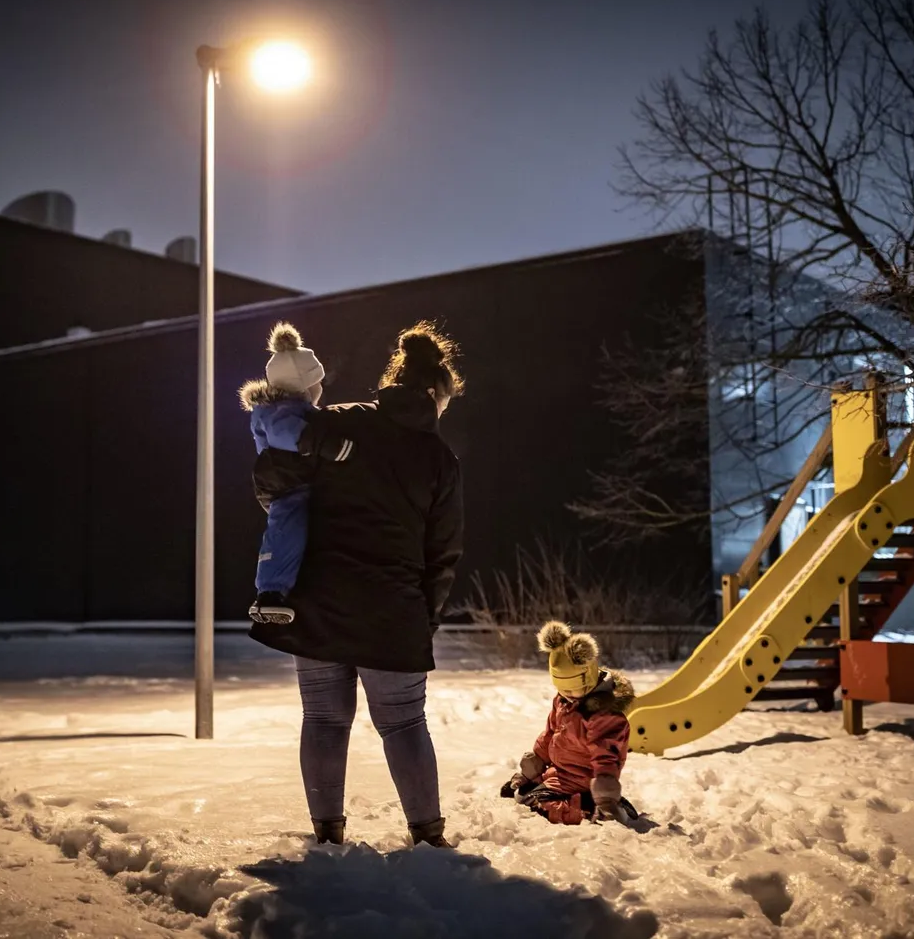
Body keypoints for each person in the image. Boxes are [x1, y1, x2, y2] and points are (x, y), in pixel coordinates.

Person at [249, 322, 465, 849]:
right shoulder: (438, 458)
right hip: (392, 608)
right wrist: (425, 618)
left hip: (317, 598)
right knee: (404, 723)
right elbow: (444, 553)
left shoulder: (337, 420)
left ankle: (327, 836)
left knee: (323, 718)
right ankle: (428, 838)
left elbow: (272, 479)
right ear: (436, 394)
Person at [237, 322, 355, 624]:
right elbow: (284, 434)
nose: (321, 390)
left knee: (303, 526)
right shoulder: (276, 413)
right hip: (284, 482)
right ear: (303, 386)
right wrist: (324, 444)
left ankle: (293, 583)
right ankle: (270, 592)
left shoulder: (294, 409)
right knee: (286, 527)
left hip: (299, 479)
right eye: (317, 384)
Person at [499, 621, 639, 825]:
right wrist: (531, 771)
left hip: (584, 778)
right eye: (563, 689)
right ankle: (581, 800)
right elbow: (549, 735)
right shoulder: (563, 701)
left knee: (533, 801)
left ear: (589, 677)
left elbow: (608, 757)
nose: (568, 695)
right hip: (560, 774)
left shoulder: (603, 715)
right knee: (525, 793)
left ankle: (591, 810)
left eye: (574, 689)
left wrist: (606, 792)